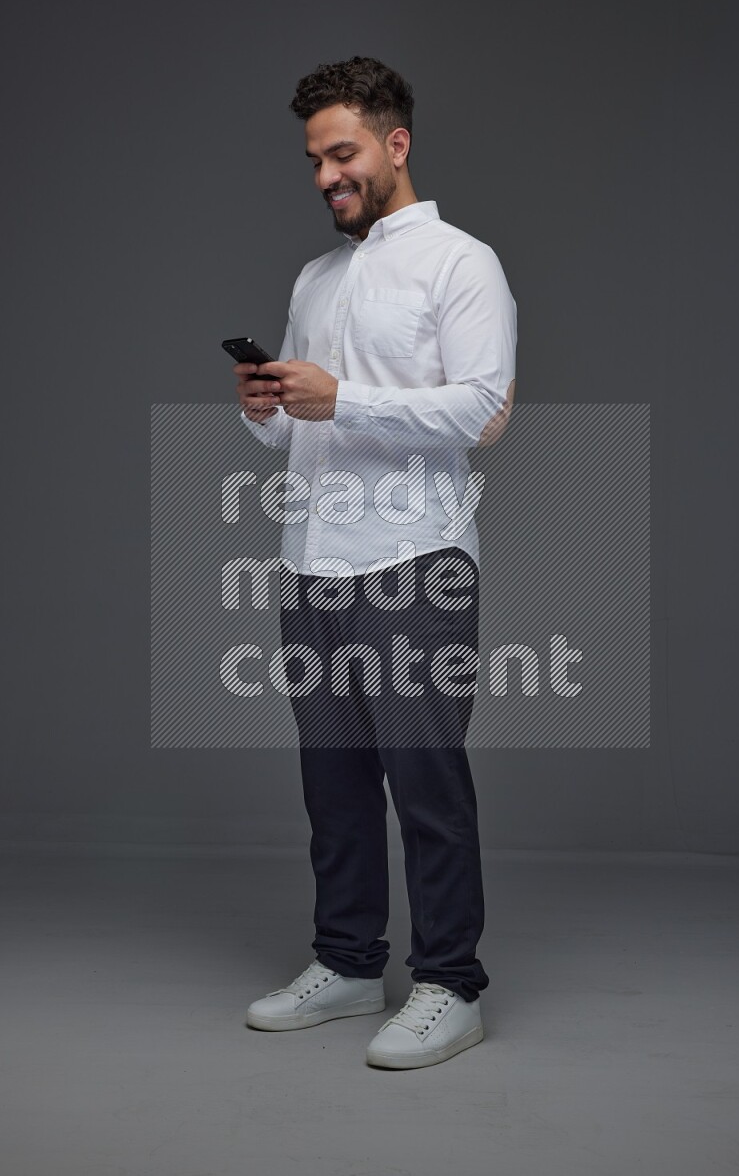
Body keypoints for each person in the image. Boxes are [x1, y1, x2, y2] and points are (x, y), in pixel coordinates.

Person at [233, 56, 517, 1070]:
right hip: (312, 561)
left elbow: (483, 410)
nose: (325, 176)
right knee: (334, 781)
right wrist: (269, 407)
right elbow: (302, 432)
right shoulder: (315, 278)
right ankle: (349, 963)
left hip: (414, 561)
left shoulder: (459, 263)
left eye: (342, 153)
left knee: (423, 778)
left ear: (395, 143)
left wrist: (342, 394)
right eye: (314, 159)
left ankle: (450, 982)